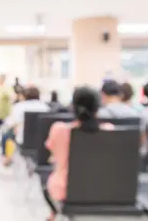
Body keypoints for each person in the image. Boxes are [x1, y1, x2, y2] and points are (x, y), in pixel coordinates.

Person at [44, 86, 114, 221]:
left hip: (65, 191)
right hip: (105, 191)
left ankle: (54, 214)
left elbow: (53, 155)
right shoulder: (110, 131)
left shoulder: (59, 130)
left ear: (73, 106)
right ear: (98, 107)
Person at [0, 86, 50, 165]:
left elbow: (9, 123)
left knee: (6, 134)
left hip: (23, 141)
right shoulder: (45, 107)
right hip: (42, 142)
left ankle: (7, 158)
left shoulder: (19, 106)